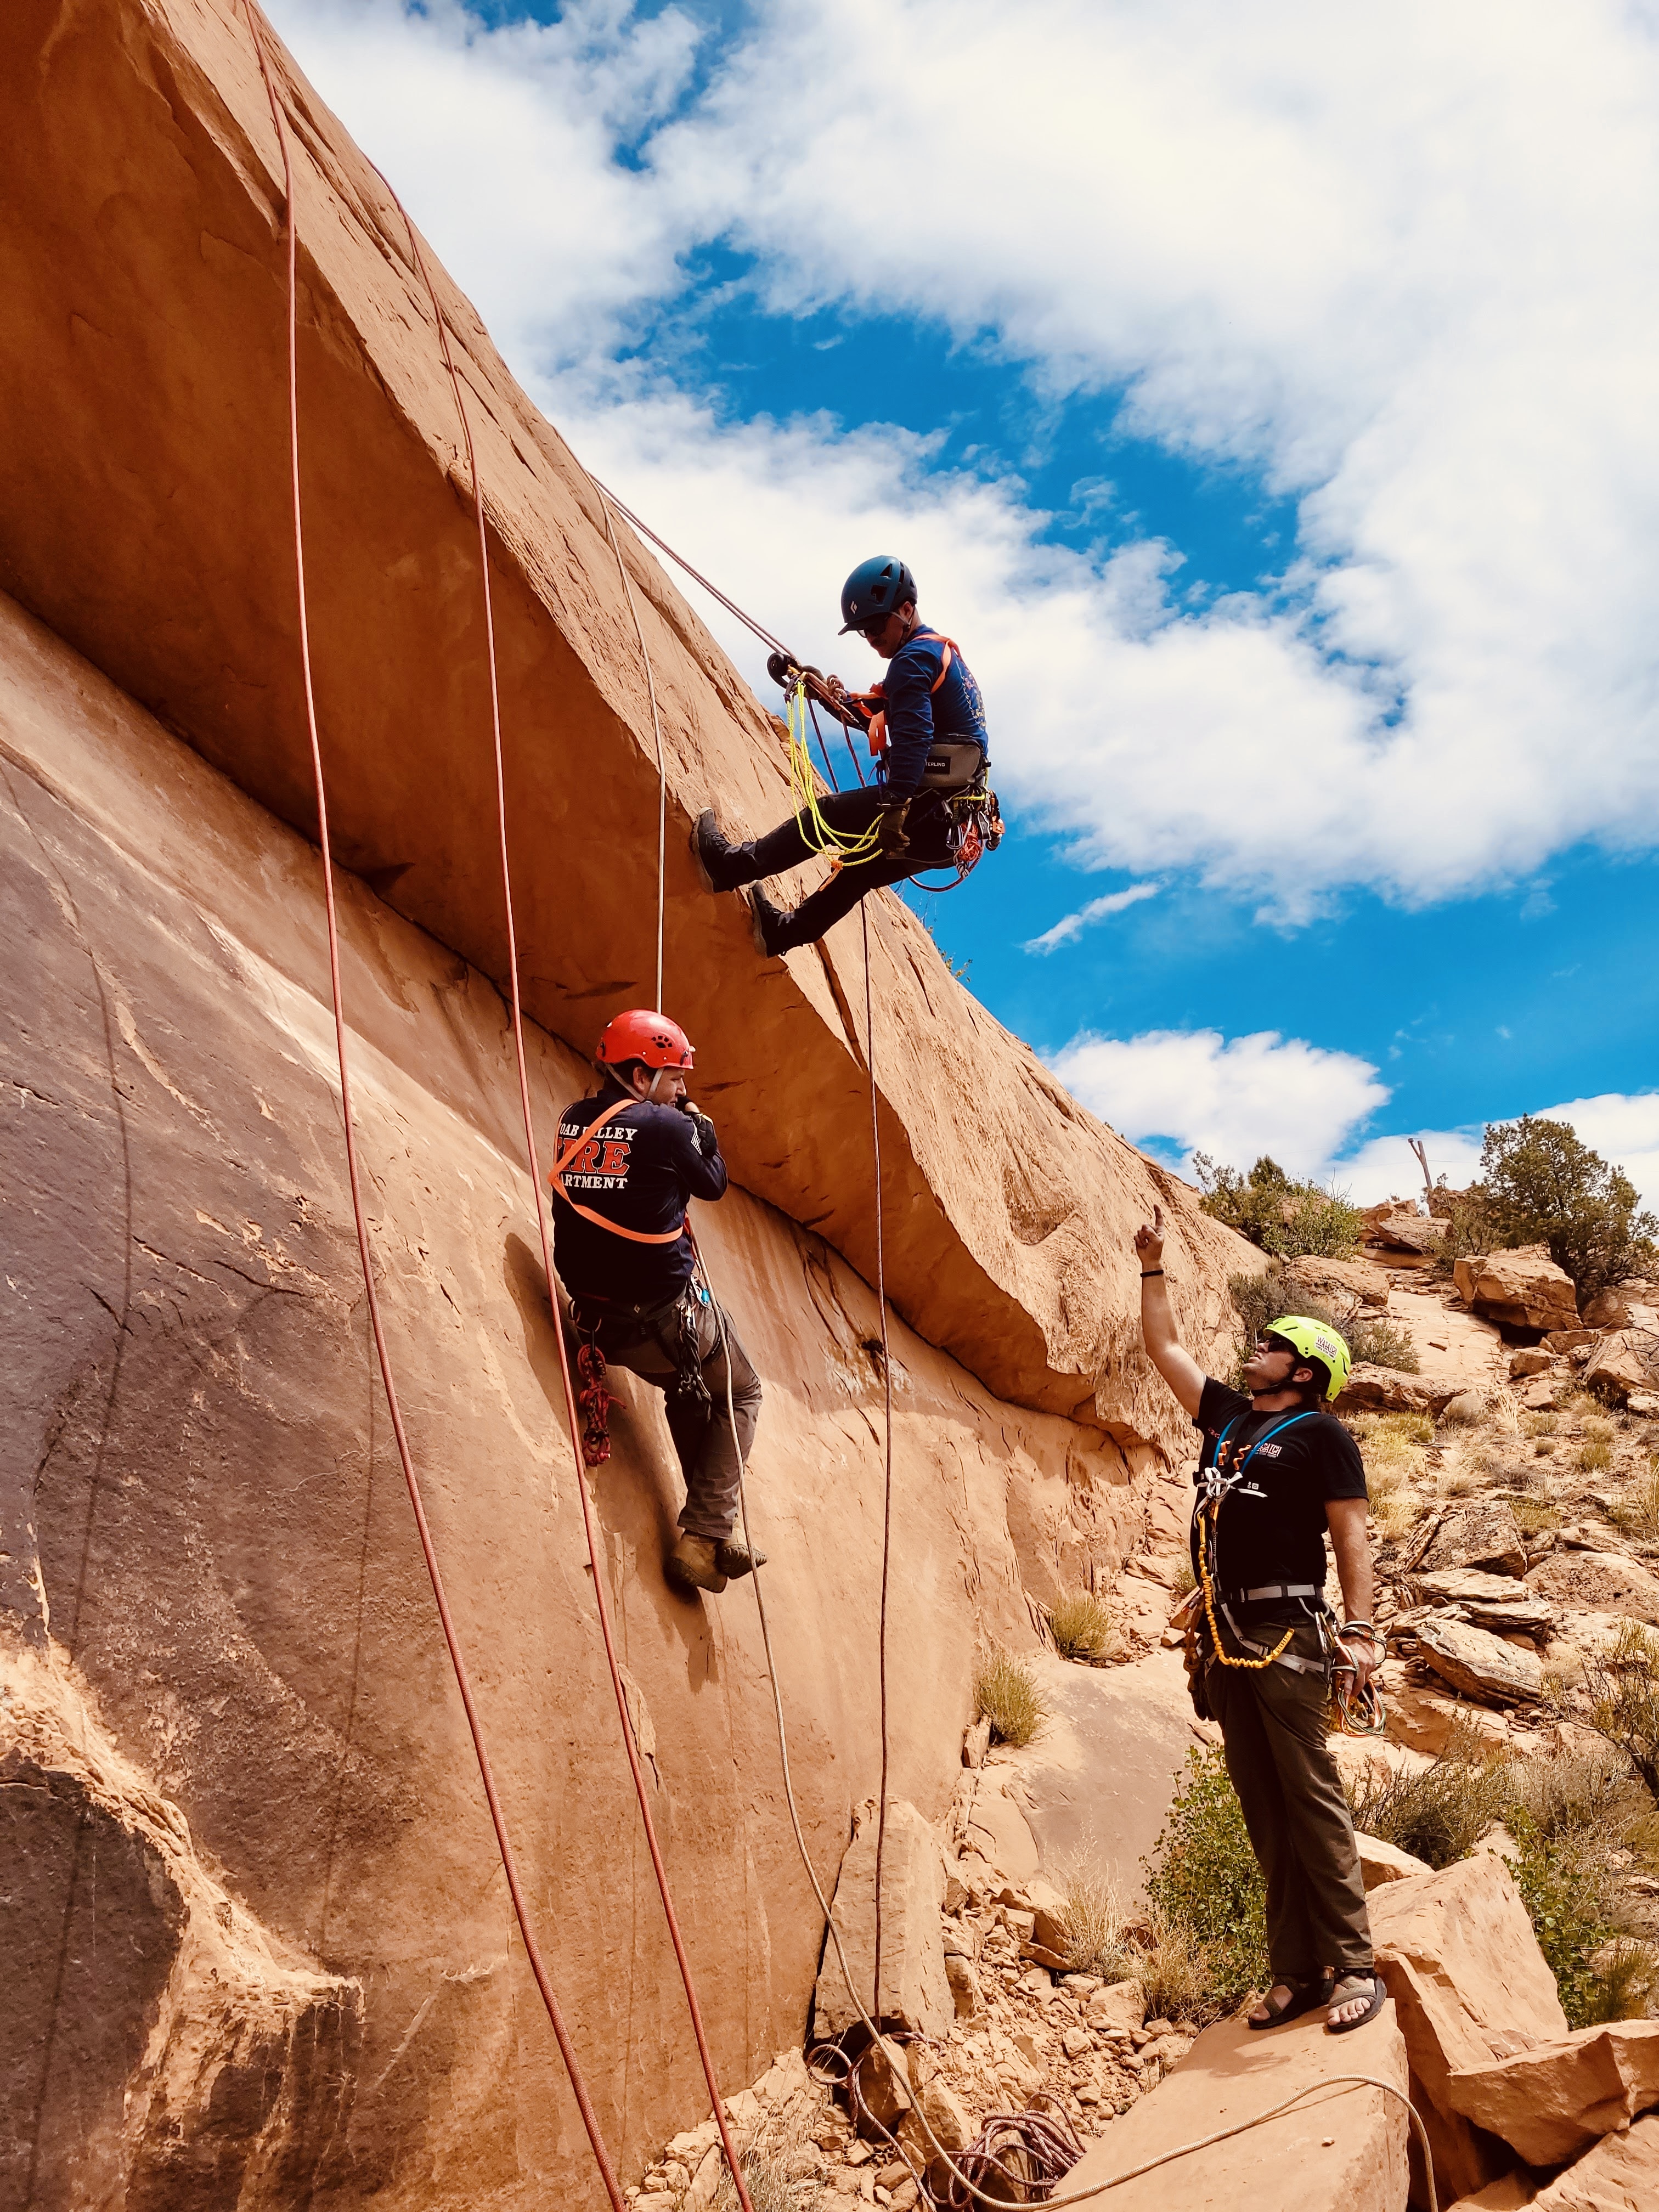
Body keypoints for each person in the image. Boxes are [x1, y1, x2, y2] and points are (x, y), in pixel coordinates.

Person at [1133, 1203, 1386, 2035]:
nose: (1259, 1346)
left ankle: (1355, 1966)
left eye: (1275, 1342)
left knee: (1311, 1798)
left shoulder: (1322, 1436)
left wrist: (1362, 1630)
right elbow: (1165, 1350)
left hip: (1289, 1637)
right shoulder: (1234, 1420)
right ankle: (1295, 1972)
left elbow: (1351, 1534)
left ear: (1308, 1369)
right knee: (1261, 1806)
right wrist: (1152, 1266)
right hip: (1227, 1641)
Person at [549, 1009, 764, 1598]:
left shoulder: (574, 1122)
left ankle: (710, 1534)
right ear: (640, 1077)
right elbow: (714, 1184)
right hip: (668, 1321)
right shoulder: (667, 1129)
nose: (683, 1091)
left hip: (600, 1322)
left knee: (685, 1391)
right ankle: (705, 1535)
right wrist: (706, 1138)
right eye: (674, 1079)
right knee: (741, 1390)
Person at [692, 556, 994, 954]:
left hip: (930, 813)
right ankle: (782, 933)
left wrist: (896, 807)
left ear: (906, 610)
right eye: (862, 630)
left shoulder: (913, 660)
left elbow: (915, 739)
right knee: (858, 873)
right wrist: (819, 691)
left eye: (875, 625)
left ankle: (730, 866)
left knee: (829, 815)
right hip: (951, 833)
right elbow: (877, 713)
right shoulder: (933, 654)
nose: (870, 637)